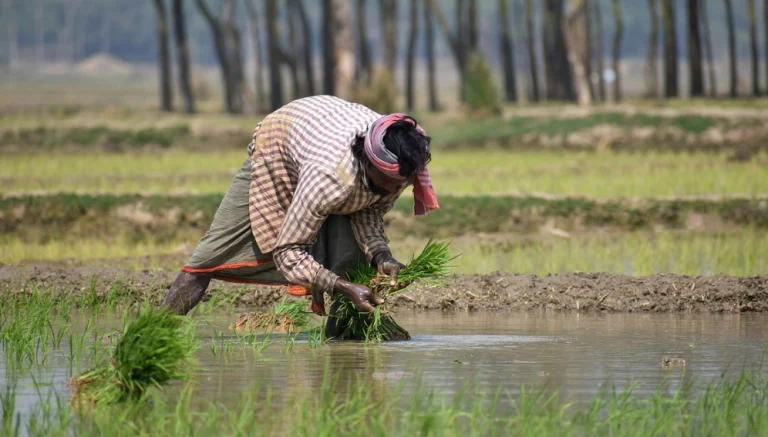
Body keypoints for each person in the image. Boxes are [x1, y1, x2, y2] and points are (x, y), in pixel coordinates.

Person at [161, 95, 438, 336]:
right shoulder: (329, 177)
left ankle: (340, 348)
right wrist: (342, 287)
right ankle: (155, 332)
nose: (393, 190)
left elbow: (370, 210)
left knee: (353, 259)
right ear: (367, 162)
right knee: (211, 254)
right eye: (388, 183)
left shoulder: (396, 167)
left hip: (322, 130)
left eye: (400, 184)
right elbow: (288, 252)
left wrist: (382, 256)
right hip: (280, 143)